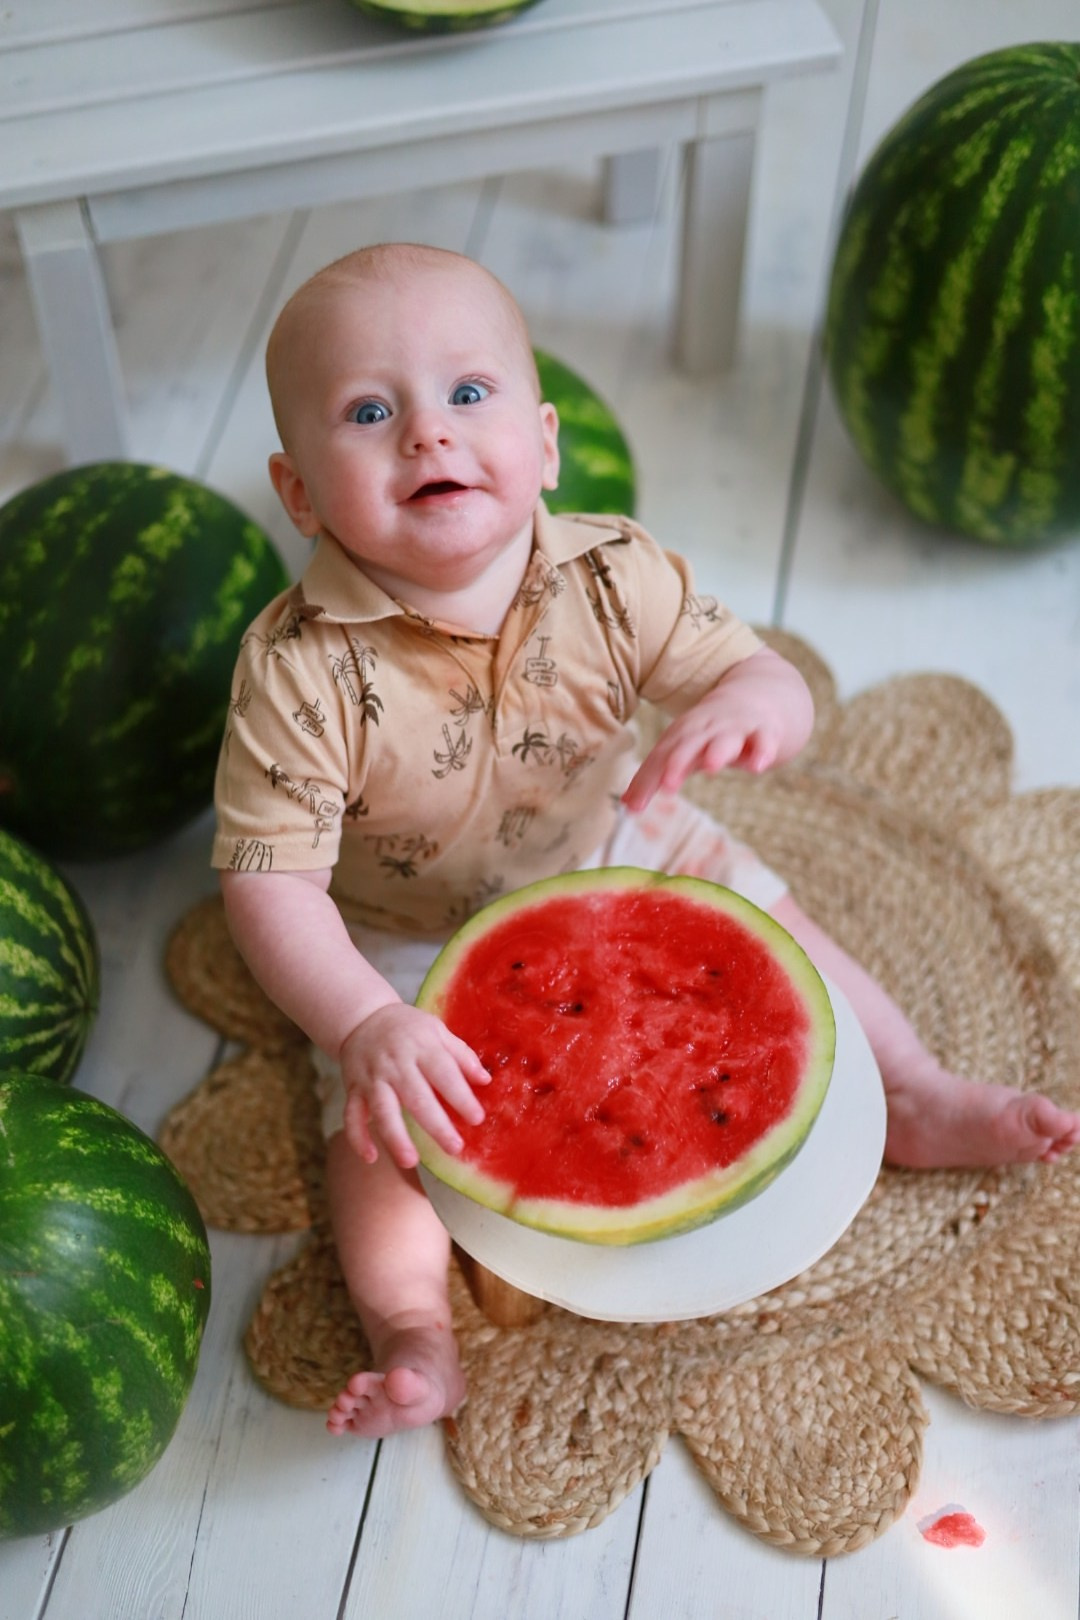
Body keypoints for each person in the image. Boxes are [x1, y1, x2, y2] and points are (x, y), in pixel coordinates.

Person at [213, 242, 1080, 1442]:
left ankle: (914, 1091)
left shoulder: (613, 574)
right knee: (378, 1139)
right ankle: (411, 1326)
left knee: (789, 933)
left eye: (468, 392)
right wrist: (364, 1023)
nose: (429, 432)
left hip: (620, 840)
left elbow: (758, 675)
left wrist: (753, 705)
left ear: (546, 443)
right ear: (301, 492)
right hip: (401, 935)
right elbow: (272, 890)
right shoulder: (294, 671)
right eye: (370, 412)